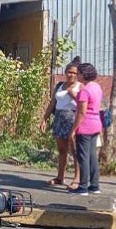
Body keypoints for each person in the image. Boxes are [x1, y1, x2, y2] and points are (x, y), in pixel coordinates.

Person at [41, 59, 82, 187]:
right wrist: (44, 119)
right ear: (65, 72)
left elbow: (84, 105)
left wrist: (73, 94)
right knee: (62, 150)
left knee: (75, 151)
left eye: (75, 73)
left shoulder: (81, 87)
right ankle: (60, 177)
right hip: (59, 119)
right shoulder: (59, 86)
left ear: (78, 74)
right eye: (69, 72)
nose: (72, 75)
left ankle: (77, 179)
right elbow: (52, 103)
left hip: (73, 120)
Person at [67, 63, 103, 195]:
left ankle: (82, 186)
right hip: (96, 124)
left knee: (83, 156)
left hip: (85, 125)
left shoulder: (84, 90)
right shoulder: (97, 87)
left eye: (78, 74)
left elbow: (81, 112)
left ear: (83, 75)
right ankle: (94, 185)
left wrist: (73, 130)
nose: (77, 76)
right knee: (92, 155)